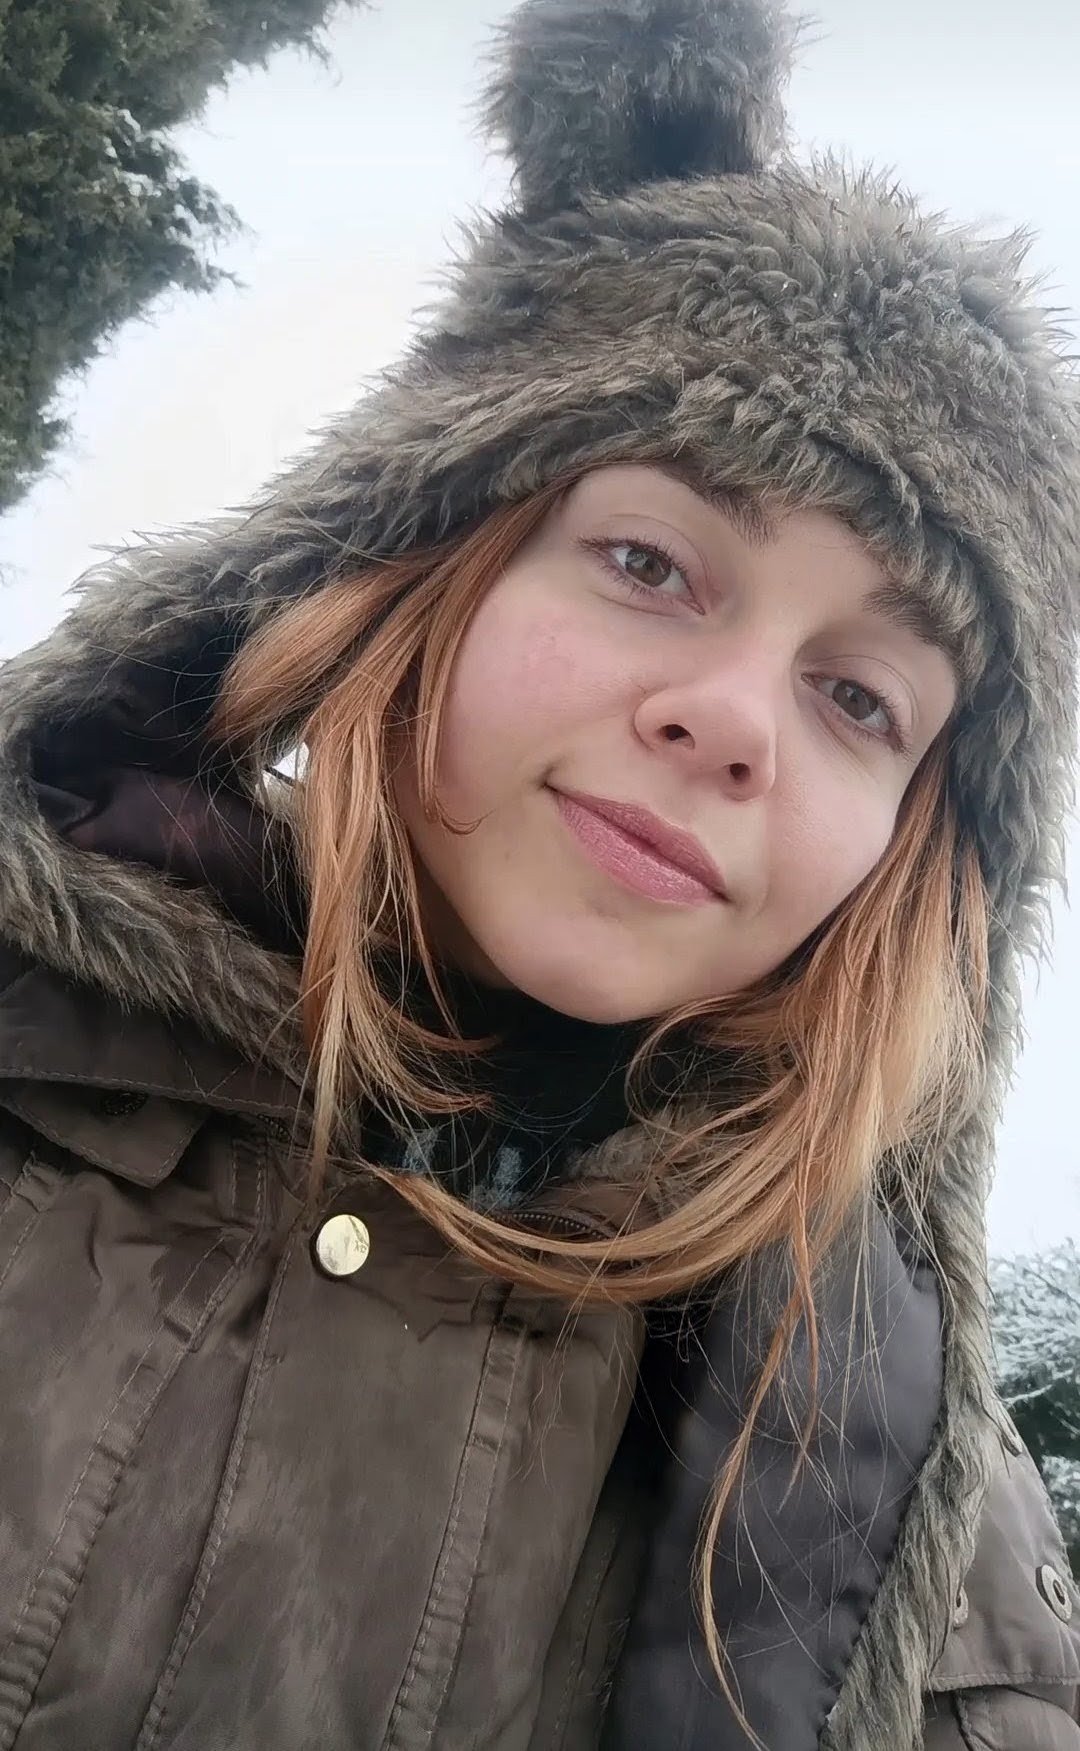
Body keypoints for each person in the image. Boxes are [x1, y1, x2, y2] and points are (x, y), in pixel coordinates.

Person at [1, 0, 1078, 1745]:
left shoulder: (910, 1512)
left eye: (861, 698)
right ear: (426, 553)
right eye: (651, 562)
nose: (735, 721)